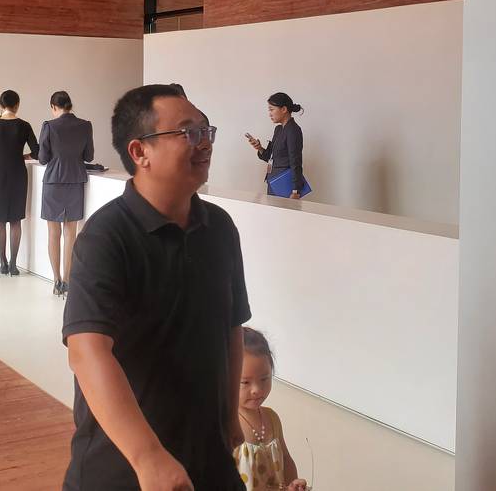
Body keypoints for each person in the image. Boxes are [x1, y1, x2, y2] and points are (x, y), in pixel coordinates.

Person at [63, 84, 250, 491]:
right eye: (189, 133)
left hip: (208, 459)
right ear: (139, 152)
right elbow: (87, 350)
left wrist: (228, 416)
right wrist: (148, 457)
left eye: (206, 131)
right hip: (125, 467)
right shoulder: (106, 236)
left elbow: (231, 326)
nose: (205, 143)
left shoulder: (220, 228)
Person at [233, 328, 308, 491]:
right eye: (245, 382)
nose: (256, 389)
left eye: (264, 379)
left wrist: (292, 484)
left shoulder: (272, 418)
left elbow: (286, 459)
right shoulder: (227, 424)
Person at [37, 90, 94, 296]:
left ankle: (56, 281)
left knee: (53, 233)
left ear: (54, 106)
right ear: (70, 105)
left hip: (53, 181)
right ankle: (68, 281)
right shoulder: (85, 125)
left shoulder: (49, 126)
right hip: (75, 180)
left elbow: (42, 158)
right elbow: (89, 156)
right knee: (71, 233)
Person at [0, 90, 38, 276]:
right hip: (18, 173)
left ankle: (2, 262)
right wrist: (24, 156)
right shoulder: (24, 126)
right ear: (17, 104)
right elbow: (38, 152)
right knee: (15, 220)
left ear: (1, 105)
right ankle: (13, 264)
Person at [245, 93, 305, 200]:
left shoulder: (293, 130)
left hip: (285, 185)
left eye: (272, 109)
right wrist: (259, 148)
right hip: (273, 181)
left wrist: (295, 190)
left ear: (284, 109)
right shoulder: (278, 130)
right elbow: (271, 158)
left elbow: (295, 161)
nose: (270, 114)